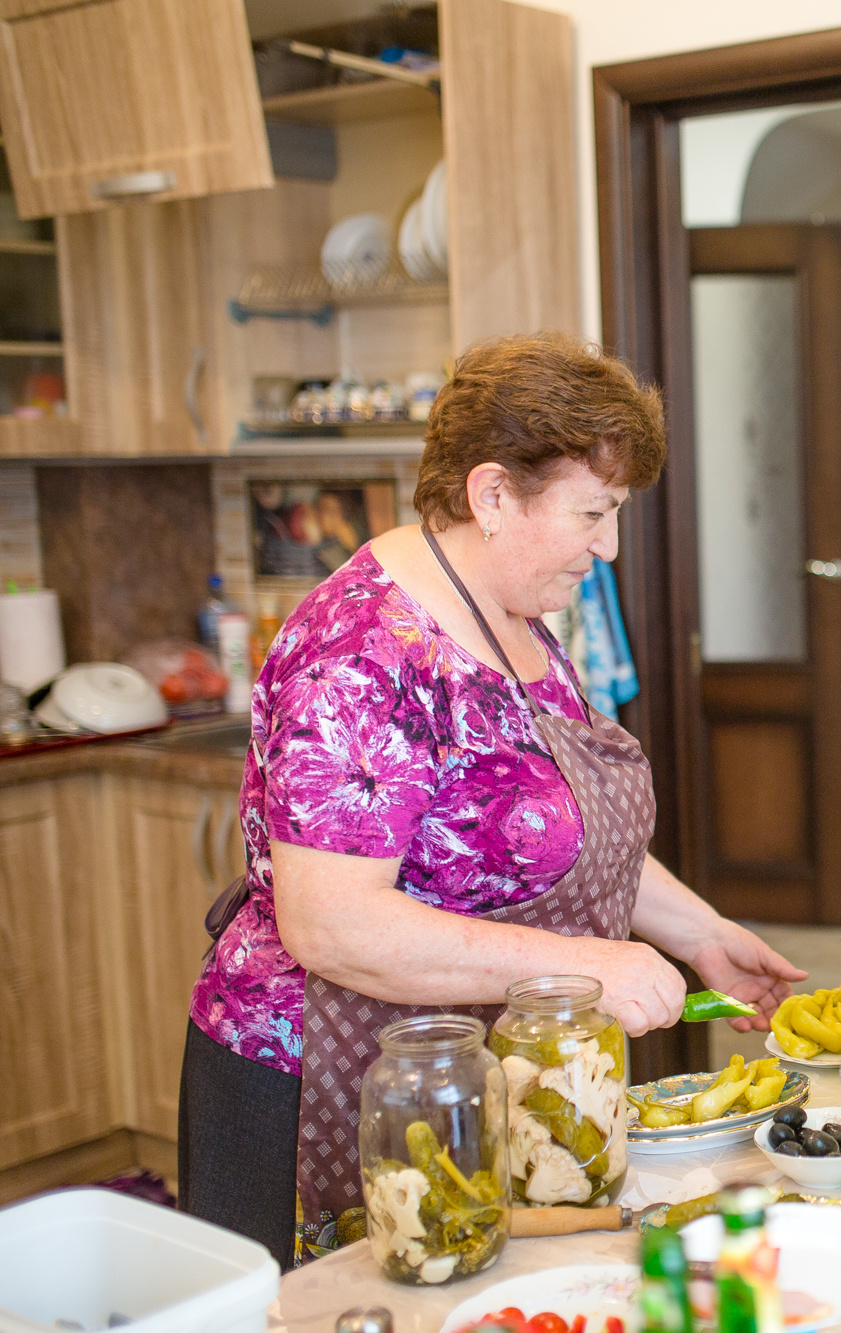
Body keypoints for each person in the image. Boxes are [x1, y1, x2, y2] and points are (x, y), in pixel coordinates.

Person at [182, 332, 808, 1266]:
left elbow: (551, 828)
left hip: (459, 1064)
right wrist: (590, 967)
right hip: (316, 1083)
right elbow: (333, 926)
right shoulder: (363, 648)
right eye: (593, 512)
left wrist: (698, 930)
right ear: (492, 495)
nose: (608, 545)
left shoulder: (510, 611)